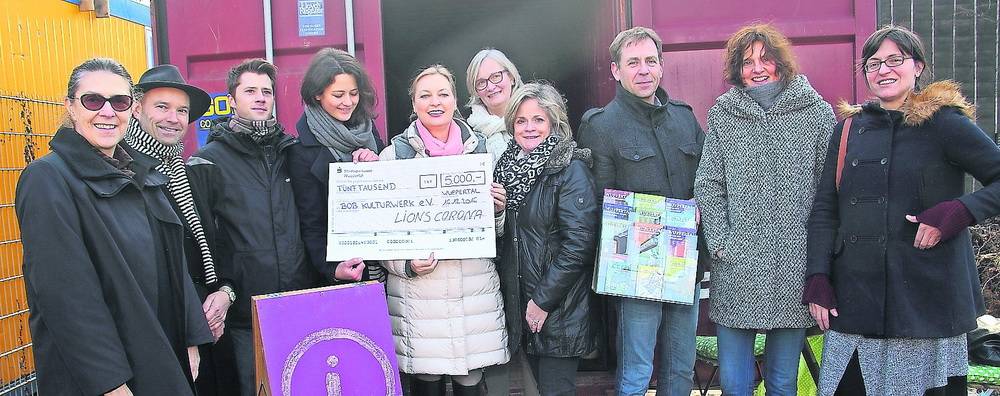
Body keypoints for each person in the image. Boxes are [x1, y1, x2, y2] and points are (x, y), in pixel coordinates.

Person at [804, 25, 1000, 395]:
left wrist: (958, 212)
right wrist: (817, 277)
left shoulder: (945, 124)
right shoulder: (847, 129)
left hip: (925, 302)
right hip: (855, 300)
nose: (884, 70)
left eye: (895, 60)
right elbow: (826, 208)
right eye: (873, 63)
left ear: (918, 67)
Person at [15, 58, 213, 395]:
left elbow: (174, 265)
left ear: (131, 109)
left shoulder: (142, 174)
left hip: (159, 353)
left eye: (119, 101)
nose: (107, 112)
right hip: (102, 375)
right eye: (93, 100)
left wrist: (191, 339)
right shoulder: (47, 179)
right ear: (71, 108)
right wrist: (110, 384)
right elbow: (65, 297)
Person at [693, 24, 835, 395]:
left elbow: (829, 192)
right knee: (736, 383)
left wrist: (818, 257)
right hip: (737, 266)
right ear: (736, 70)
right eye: (746, 61)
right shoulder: (724, 115)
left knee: (783, 381)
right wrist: (722, 243)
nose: (757, 68)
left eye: (765, 58)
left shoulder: (816, 113)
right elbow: (709, 183)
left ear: (780, 63)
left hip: (793, 267)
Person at [577, 26, 707, 396]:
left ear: (662, 66)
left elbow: (709, 180)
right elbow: (599, 202)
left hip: (684, 264)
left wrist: (700, 205)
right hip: (635, 269)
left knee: (680, 369)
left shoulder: (684, 117)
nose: (644, 70)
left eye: (651, 61)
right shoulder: (601, 126)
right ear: (616, 71)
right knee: (637, 370)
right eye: (633, 63)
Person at [187, 58, 320, 396]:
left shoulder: (291, 153)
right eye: (250, 91)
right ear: (232, 99)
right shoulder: (210, 160)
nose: (260, 97)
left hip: (297, 302)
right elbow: (204, 238)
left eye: (267, 91)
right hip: (247, 312)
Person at [379, 65, 509, 395]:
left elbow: (499, 234)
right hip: (418, 297)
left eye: (443, 94)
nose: (435, 102)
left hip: (473, 290)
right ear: (413, 104)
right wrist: (405, 265)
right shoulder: (392, 158)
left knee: (470, 379)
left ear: (455, 100)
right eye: (425, 95)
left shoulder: (482, 152)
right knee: (427, 380)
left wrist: (498, 211)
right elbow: (377, 238)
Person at [122, 64, 240, 396]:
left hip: (213, 321)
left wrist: (226, 293)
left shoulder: (195, 173)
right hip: (162, 333)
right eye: (162, 107)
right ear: (136, 108)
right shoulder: (124, 176)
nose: (174, 118)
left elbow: (224, 244)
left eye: (182, 110)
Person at [494, 82, 599, 395]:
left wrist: (542, 301)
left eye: (538, 120)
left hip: (559, 310)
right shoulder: (504, 169)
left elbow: (578, 246)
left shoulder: (570, 169)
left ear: (554, 123)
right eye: (521, 121)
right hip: (523, 307)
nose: (529, 128)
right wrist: (498, 212)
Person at [288, 48, 385, 287]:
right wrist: (332, 269)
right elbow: (310, 225)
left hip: (383, 268)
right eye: (338, 95)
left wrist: (377, 167)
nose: (348, 102)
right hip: (341, 277)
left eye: (353, 93)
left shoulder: (368, 131)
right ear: (318, 94)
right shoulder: (300, 151)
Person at [465, 48, 524, 163]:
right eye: (481, 82)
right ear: (476, 91)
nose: (491, 87)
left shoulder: (537, 120)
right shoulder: (467, 136)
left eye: (496, 76)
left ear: (511, 77)